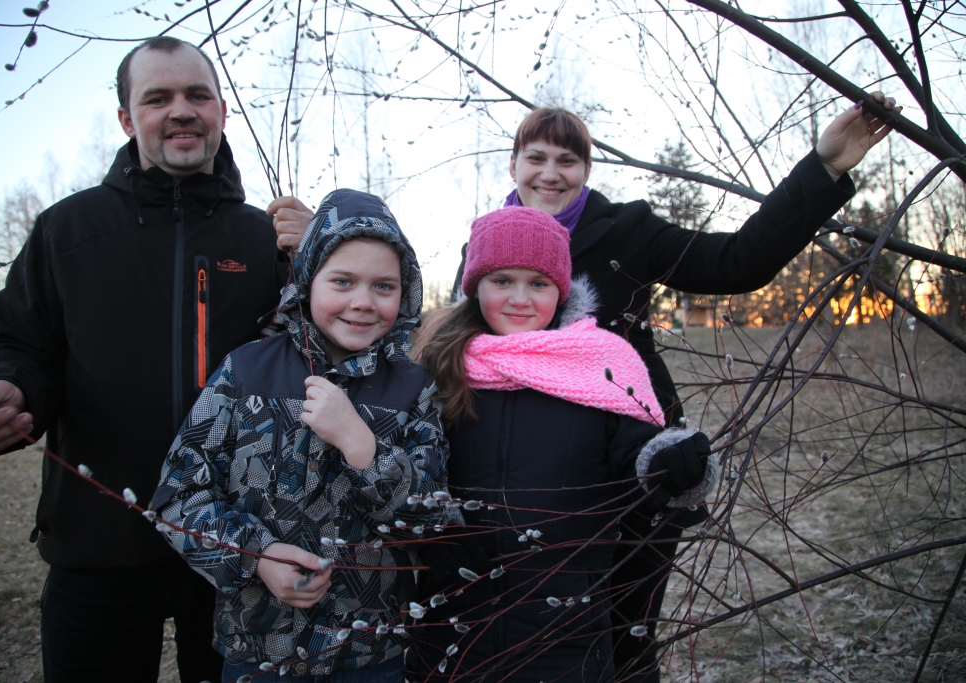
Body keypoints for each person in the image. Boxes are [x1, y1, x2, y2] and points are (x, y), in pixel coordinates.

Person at [268, 93, 900, 681]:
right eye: (535, 157)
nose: (550, 172)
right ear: (514, 164)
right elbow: (379, 316)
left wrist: (821, 170)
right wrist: (313, 250)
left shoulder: (628, 231)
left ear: (586, 169)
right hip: (487, 480)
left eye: (567, 160)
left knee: (619, 632)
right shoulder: (481, 247)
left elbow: (738, 262)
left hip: (619, 465)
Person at [0, 37, 289, 683]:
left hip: (237, 547)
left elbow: (317, 352)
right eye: (158, 98)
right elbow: (19, 343)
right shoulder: (67, 229)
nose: (181, 110)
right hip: (96, 541)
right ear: (129, 120)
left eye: (197, 95)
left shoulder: (263, 235)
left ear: (221, 109)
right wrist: (13, 393)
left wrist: (317, 253)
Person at [153, 188, 460, 682]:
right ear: (306, 283)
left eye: (384, 287)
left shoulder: (412, 388)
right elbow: (175, 498)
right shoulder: (245, 372)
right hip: (259, 651)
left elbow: (426, 523)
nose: (363, 302)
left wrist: (363, 447)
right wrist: (256, 558)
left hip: (369, 655)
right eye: (343, 281)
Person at [404, 206, 716, 682]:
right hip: (453, 622)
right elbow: (402, 469)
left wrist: (672, 464)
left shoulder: (602, 363)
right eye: (502, 280)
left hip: (566, 622)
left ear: (561, 289)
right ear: (474, 286)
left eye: (538, 283)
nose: (519, 298)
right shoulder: (439, 366)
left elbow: (640, 460)